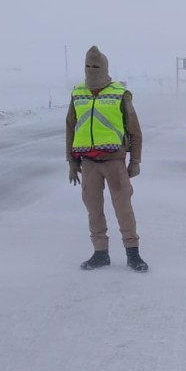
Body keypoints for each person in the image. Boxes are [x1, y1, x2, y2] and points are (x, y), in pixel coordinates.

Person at [66, 45, 148, 272]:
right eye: (87, 66)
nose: (91, 70)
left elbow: (135, 131)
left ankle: (133, 254)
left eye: (96, 66)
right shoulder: (78, 94)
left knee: (123, 209)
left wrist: (135, 161)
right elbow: (70, 129)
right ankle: (100, 253)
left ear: (105, 67)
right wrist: (71, 163)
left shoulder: (120, 93)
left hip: (115, 163)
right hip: (89, 164)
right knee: (94, 209)